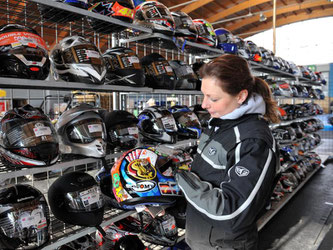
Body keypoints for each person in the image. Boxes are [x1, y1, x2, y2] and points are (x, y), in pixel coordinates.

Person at [176, 54, 281, 250]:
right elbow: (208, 178)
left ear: (240, 96)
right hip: (202, 240)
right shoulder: (220, 122)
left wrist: (180, 178)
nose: (204, 104)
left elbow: (232, 212)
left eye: (213, 98)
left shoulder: (253, 141)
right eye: (203, 95)